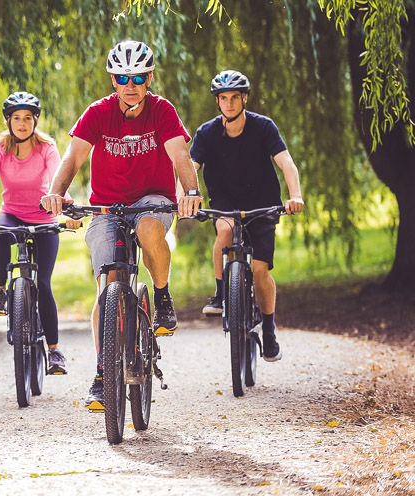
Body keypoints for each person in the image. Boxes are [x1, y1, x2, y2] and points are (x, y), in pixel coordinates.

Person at [40, 40, 201, 410]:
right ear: (114, 80)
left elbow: (180, 153)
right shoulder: (98, 113)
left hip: (152, 200)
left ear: (148, 78)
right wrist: (56, 193)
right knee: (109, 284)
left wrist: (191, 190)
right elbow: (73, 156)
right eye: (123, 77)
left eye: (139, 77)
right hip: (107, 206)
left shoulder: (162, 110)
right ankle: (101, 373)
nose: (131, 84)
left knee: (148, 229)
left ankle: (161, 297)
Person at [190, 69, 305, 362]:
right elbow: (190, 168)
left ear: (244, 98)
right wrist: (186, 195)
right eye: (223, 98)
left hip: (262, 201)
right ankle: (219, 293)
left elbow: (286, 163)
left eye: (234, 98)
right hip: (225, 200)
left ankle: (268, 330)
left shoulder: (263, 127)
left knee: (259, 270)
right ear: (217, 102)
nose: (229, 103)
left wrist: (295, 196)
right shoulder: (206, 133)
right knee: (225, 231)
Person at [0, 91, 80, 375]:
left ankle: (54, 351)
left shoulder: (46, 148)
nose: (22, 124)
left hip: (43, 217)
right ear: (8, 121)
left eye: (27, 118)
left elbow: (58, 183)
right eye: (16, 118)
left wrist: (67, 207)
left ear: (35, 121)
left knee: (44, 284)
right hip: (12, 214)